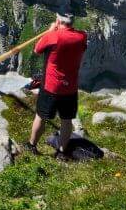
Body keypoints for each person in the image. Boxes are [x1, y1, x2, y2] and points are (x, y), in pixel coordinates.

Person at [26, 13, 87, 156]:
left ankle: (32, 146)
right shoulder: (82, 36)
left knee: (41, 116)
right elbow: (83, 46)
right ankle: (61, 152)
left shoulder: (52, 36)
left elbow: (37, 49)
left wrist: (50, 30)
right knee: (67, 121)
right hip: (70, 88)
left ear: (58, 21)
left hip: (51, 87)